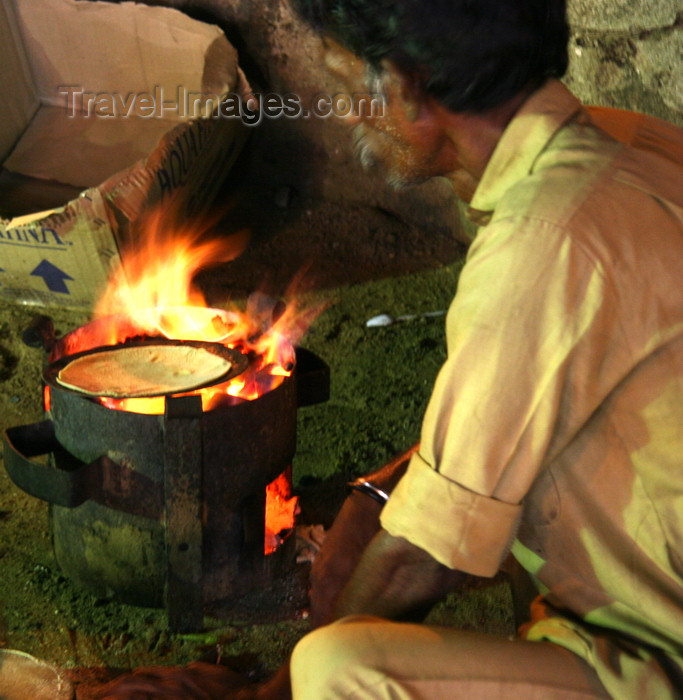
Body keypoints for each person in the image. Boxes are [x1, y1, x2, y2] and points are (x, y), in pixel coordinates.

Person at [98, 0, 683, 698]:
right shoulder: (635, 148)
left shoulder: (544, 243)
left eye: (348, 87)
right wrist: (375, 494)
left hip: (653, 655)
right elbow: (520, 408)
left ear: (407, 87)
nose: (348, 114)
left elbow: (418, 564)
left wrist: (271, 692)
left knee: (336, 672)